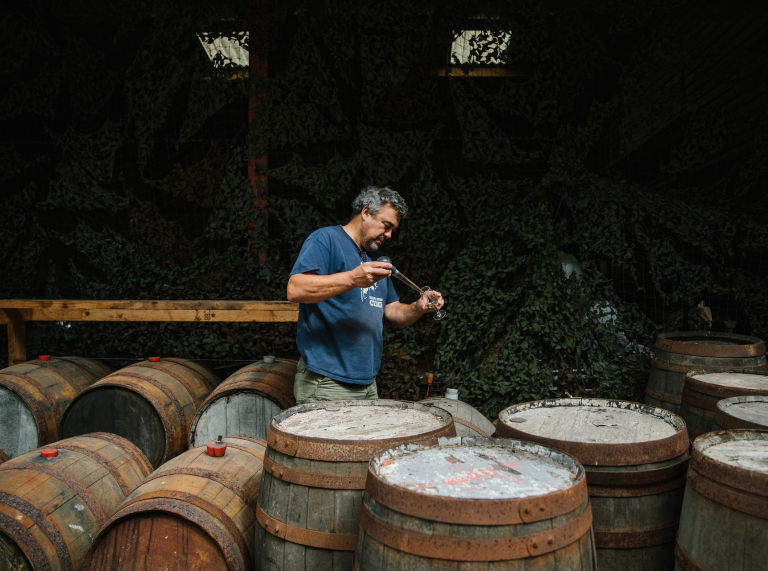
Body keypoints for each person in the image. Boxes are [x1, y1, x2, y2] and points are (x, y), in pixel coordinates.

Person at [286, 186, 444, 404]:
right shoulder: (326, 239)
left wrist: (418, 307)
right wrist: (352, 278)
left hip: (368, 383)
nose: (389, 235)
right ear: (366, 212)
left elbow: (392, 311)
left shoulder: (376, 258)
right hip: (328, 382)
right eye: (386, 226)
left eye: (392, 230)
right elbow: (295, 289)